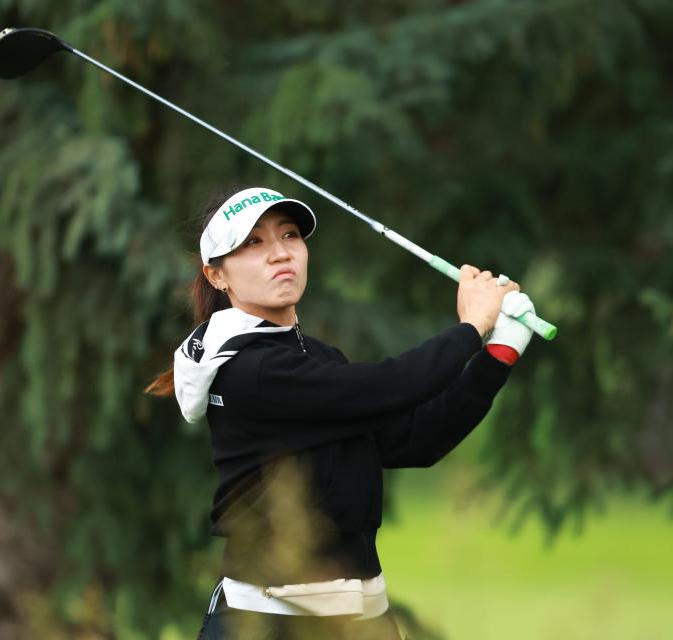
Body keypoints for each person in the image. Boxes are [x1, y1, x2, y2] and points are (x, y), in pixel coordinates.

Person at [146, 186, 536, 639]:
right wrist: (471, 328)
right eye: (253, 243)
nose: (279, 254)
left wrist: (499, 353)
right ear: (217, 276)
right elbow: (392, 386)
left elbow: (418, 439)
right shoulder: (251, 371)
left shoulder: (317, 358)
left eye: (289, 236)